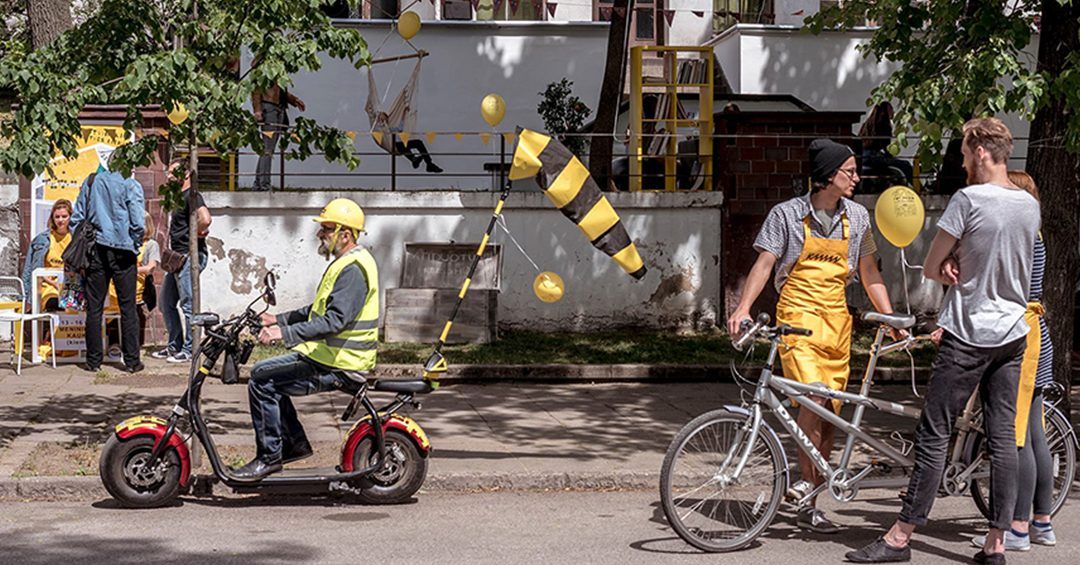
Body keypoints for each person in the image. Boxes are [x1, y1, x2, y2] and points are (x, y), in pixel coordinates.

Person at [846, 118, 1040, 564]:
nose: (963, 160)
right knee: (1003, 438)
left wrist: (950, 261)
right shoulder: (1028, 205)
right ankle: (996, 544)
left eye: (966, 151)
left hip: (969, 333)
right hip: (1013, 333)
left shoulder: (967, 200)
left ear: (982, 152)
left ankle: (900, 535)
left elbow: (932, 267)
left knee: (934, 433)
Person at [728, 138, 905, 533]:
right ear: (827, 176)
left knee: (829, 417)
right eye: (850, 171)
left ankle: (812, 495)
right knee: (813, 395)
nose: (857, 177)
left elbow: (870, 272)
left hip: (837, 321)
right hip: (798, 316)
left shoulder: (857, 218)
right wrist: (742, 308)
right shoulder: (787, 215)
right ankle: (808, 485)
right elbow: (764, 264)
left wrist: (891, 318)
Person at [233, 198, 379, 481]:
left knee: (263, 381)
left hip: (342, 365)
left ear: (345, 234)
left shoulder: (352, 269)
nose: (319, 234)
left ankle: (270, 457)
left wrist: (282, 334)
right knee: (265, 373)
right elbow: (316, 311)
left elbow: (335, 321)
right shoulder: (346, 263)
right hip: (328, 357)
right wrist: (277, 319)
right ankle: (294, 444)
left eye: (325, 229)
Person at [968, 170, 1057, 552]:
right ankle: (1042, 521)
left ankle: (1017, 526)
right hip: (1037, 332)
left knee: (1016, 437)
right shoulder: (1035, 236)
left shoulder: (1021, 237)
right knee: (1035, 435)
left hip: (1022, 332)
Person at [70, 169, 145, 373]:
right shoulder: (130, 184)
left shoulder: (92, 180)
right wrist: (135, 242)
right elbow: (138, 222)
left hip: (96, 249)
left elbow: (76, 217)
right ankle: (131, 362)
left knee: (94, 308)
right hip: (123, 250)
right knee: (128, 307)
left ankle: (93, 361)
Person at [153, 159, 211, 363]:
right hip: (178, 258)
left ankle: (189, 349)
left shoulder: (192, 196)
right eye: (168, 172)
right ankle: (174, 345)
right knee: (166, 303)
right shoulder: (178, 197)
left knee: (188, 305)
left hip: (190, 256)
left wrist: (195, 235)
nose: (168, 176)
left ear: (186, 174)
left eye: (172, 173)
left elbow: (205, 218)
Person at [252, 77, 305, 191]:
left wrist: (294, 100)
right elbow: (256, 88)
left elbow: (280, 90)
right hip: (269, 107)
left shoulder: (278, 69)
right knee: (267, 149)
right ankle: (264, 185)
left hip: (278, 109)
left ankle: (259, 184)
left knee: (268, 149)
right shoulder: (263, 66)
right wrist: (257, 110)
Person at [22, 199, 73, 312]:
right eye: (57, 217)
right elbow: (31, 268)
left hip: (71, 284)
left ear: (70, 217)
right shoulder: (42, 239)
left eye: (64, 216)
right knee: (55, 302)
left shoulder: (76, 239)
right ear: (52, 218)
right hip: (48, 285)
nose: (60, 220)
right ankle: (50, 330)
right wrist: (25, 296)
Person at [858, 102, 914, 192]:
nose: (893, 113)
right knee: (905, 165)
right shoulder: (884, 124)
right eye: (892, 110)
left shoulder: (868, 123)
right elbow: (886, 147)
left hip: (864, 156)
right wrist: (891, 158)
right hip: (874, 158)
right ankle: (916, 187)